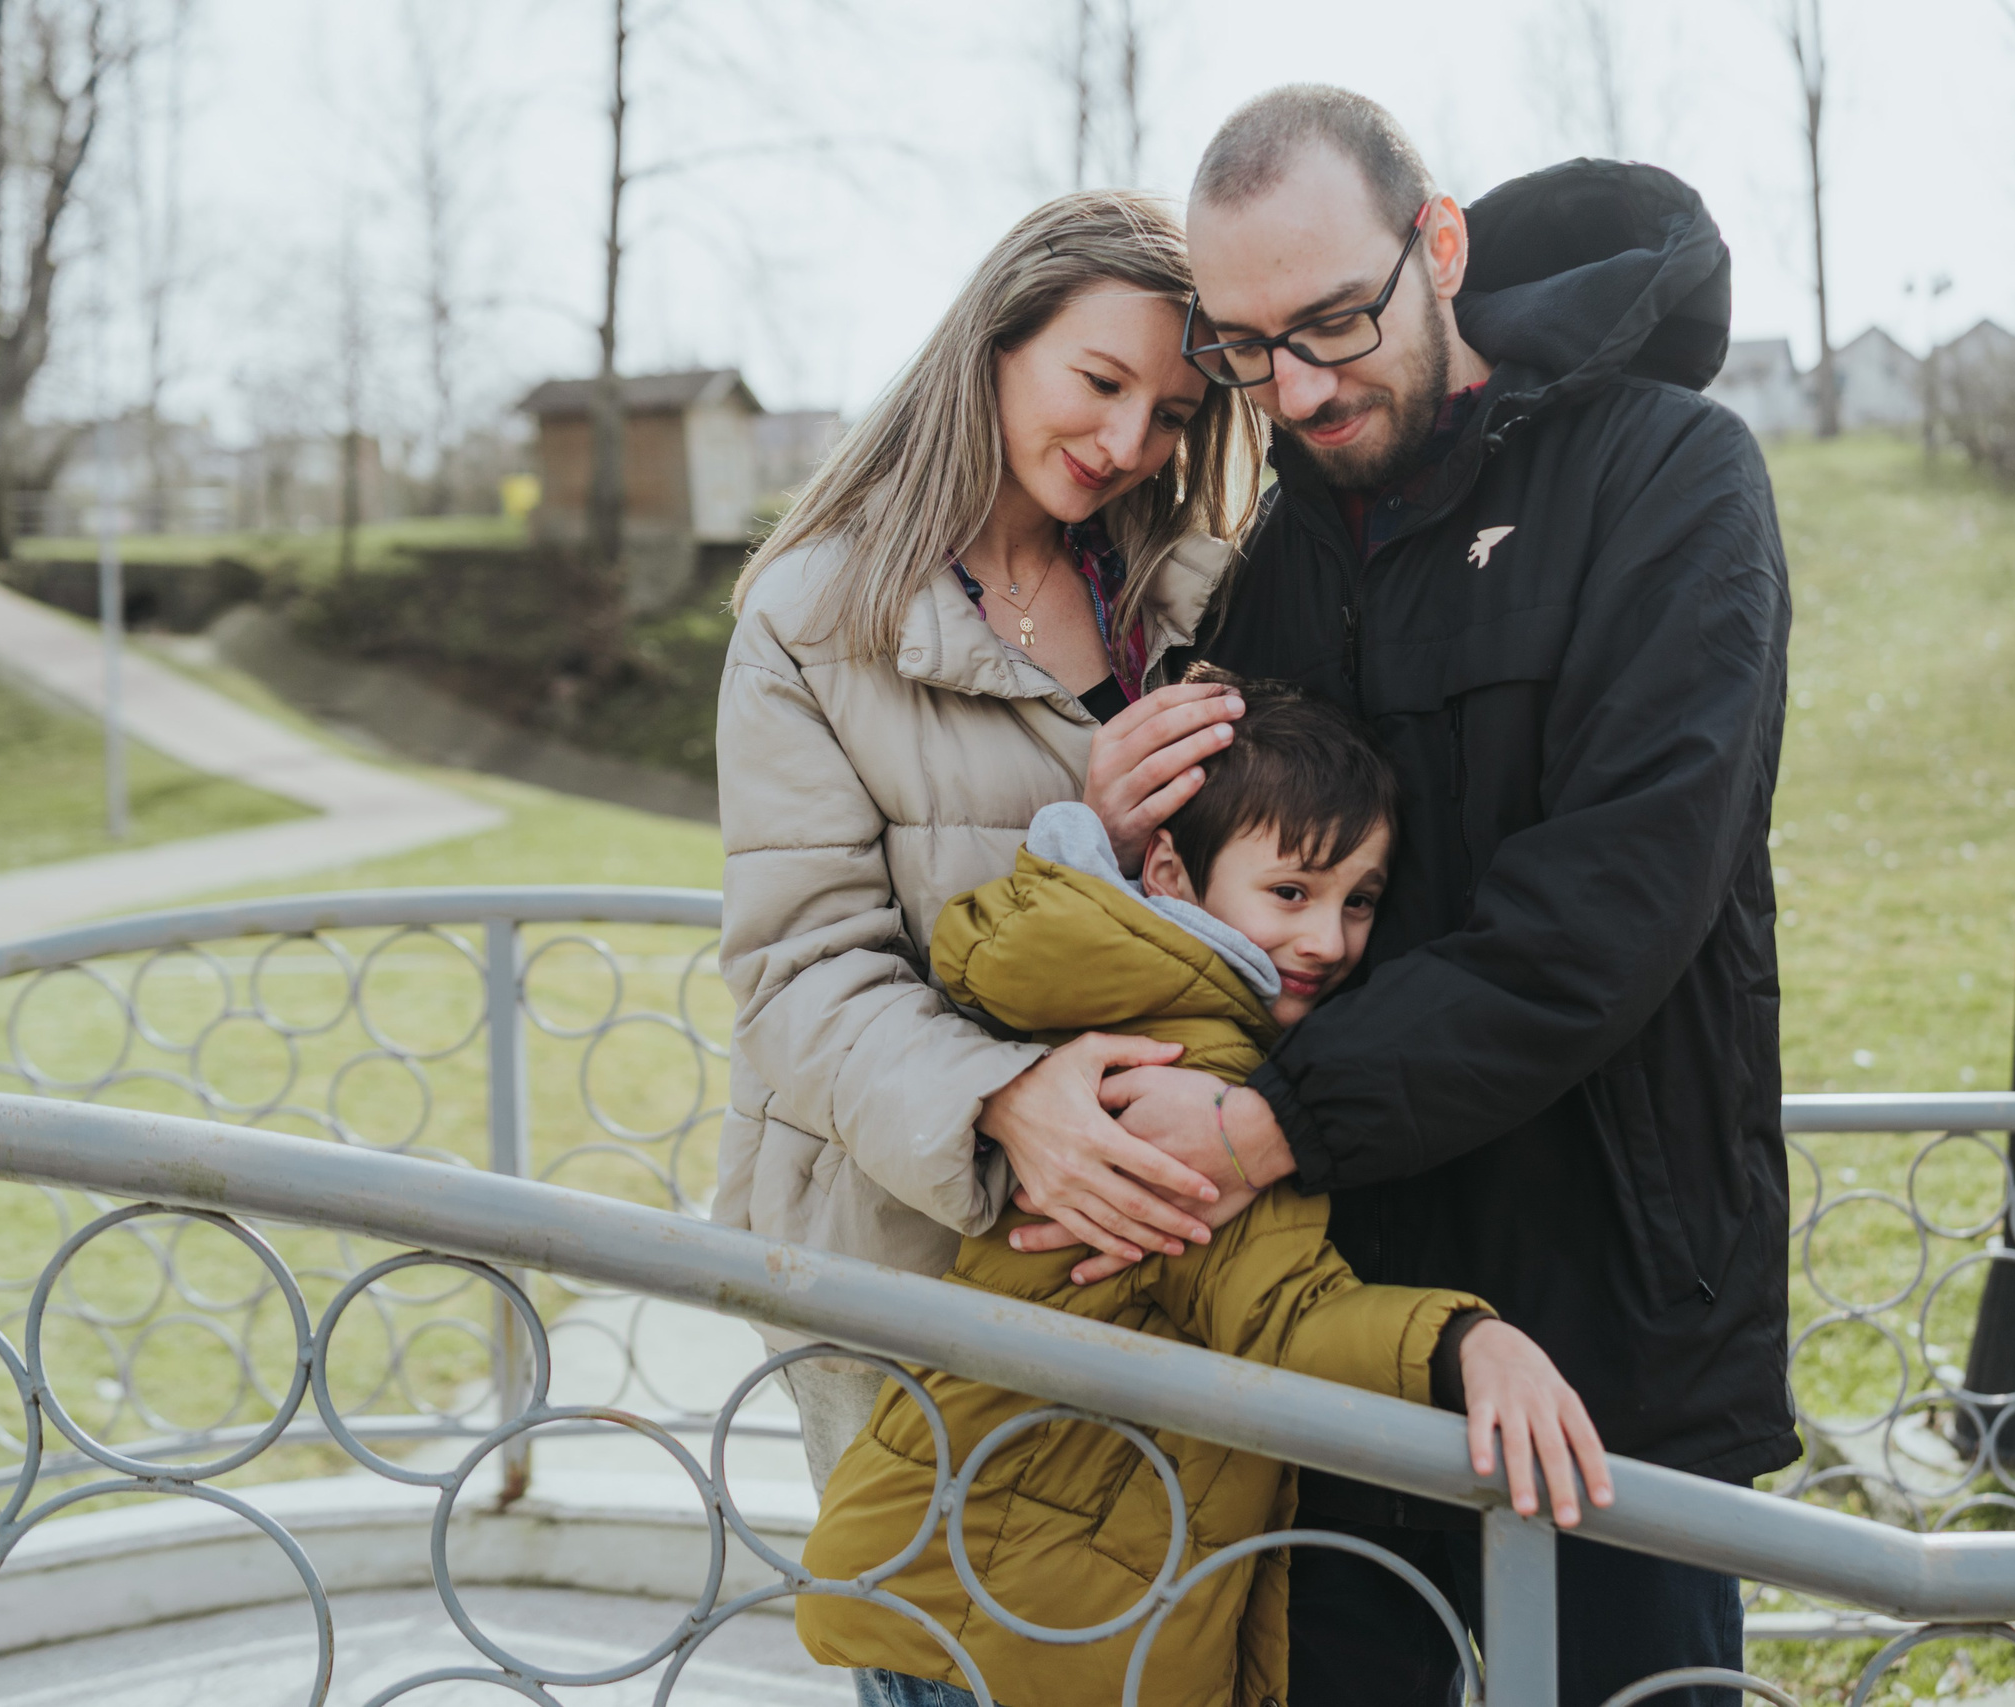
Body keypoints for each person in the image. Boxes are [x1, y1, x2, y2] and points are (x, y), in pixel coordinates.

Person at [1036, 87, 1796, 1707]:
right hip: (1337, 1332)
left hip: (1608, 1329)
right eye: (1249, 351)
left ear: (1438, 244)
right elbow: (1213, 913)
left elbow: (1613, 904)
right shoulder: (1271, 560)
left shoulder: (1674, 477)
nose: (1300, 388)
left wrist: (1265, 1126)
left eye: (1334, 322)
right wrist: (1104, 833)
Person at [795, 683, 1610, 1707]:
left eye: (1358, 901)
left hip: (959, 1566)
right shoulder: (1196, 1070)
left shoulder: (1105, 992)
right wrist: (1465, 1344)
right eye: (1291, 891)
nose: (1328, 939)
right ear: (1172, 873)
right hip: (1030, 1618)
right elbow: (1281, 1314)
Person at [710, 188, 1269, 1488]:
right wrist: (1004, 1102)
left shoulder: (1202, 599)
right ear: (994, 343)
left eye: (1173, 414)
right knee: (929, 1612)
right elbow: (799, 976)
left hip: (1172, 1258)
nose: (1127, 441)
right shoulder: (812, 622)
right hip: (904, 1270)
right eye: (1100, 381)